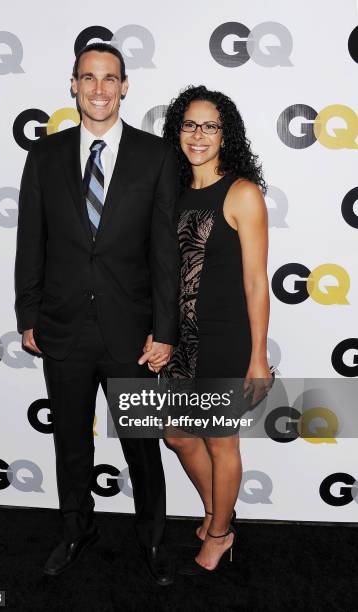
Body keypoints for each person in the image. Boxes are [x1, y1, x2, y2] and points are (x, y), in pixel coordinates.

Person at [14, 42, 180, 585]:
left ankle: (153, 539)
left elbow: (164, 253)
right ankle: (75, 529)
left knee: (141, 445)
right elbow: (30, 243)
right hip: (62, 329)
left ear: (125, 86)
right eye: (89, 77)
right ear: (73, 85)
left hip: (132, 334)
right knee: (70, 443)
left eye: (110, 78)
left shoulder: (156, 157)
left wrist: (166, 330)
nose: (100, 88)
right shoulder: (44, 156)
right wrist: (28, 313)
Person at [153, 85, 272, 574]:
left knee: (222, 443)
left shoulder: (242, 193)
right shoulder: (174, 193)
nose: (198, 135)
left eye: (210, 126)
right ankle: (217, 512)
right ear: (177, 130)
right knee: (178, 434)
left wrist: (258, 356)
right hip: (182, 340)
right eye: (189, 124)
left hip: (226, 339)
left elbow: (255, 283)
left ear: (227, 135)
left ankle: (219, 535)